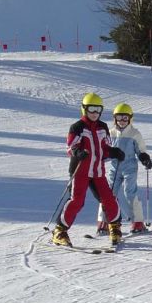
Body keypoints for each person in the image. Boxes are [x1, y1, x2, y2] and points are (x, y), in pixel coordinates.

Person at [52, 93, 125, 247]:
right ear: (84, 109)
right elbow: (71, 147)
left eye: (98, 110)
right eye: (91, 109)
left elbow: (104, 148)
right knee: (77, 201)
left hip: (98, 172)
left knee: (108, 198)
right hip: (80, 171)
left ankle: (115, 227)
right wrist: (78, 153)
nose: (94, 113)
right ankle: (60, 231)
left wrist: (113, 152)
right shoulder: (77, 127)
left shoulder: (102, 127)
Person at [96, 103, 152, 235]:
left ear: (130, 119)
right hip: (115, 168)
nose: (122, 121)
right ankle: (104, 221)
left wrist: (144, 158)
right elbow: (104, 150)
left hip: (129, 168)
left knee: (129, 193)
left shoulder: (134, 133)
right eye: (119, 118)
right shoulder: (110, 133)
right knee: (108, 193)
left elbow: (141, 149)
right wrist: (105, 156)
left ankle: (137, 222)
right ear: (114, 119)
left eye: (125, 118)